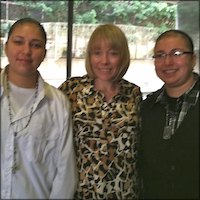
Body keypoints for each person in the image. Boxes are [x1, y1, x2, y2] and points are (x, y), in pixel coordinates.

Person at [59, 24, 142, 199]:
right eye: (97, 53)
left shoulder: (133, 93)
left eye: (113, 53)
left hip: (125, 192)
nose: (104, 61)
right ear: (89, 56)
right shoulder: (71, 90)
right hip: (81, 193)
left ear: (123, 56)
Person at [1, 17, 77, 199]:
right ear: (6, 46)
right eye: (18, 42)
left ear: (44, 53)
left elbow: (65, 172)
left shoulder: (57, 104)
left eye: (35, 45)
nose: (26, 51)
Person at [139, 29, 199, 199]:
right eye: (160, 55)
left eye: (176, 53)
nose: (167, 62)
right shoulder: (146, 107)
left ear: (193, 59)